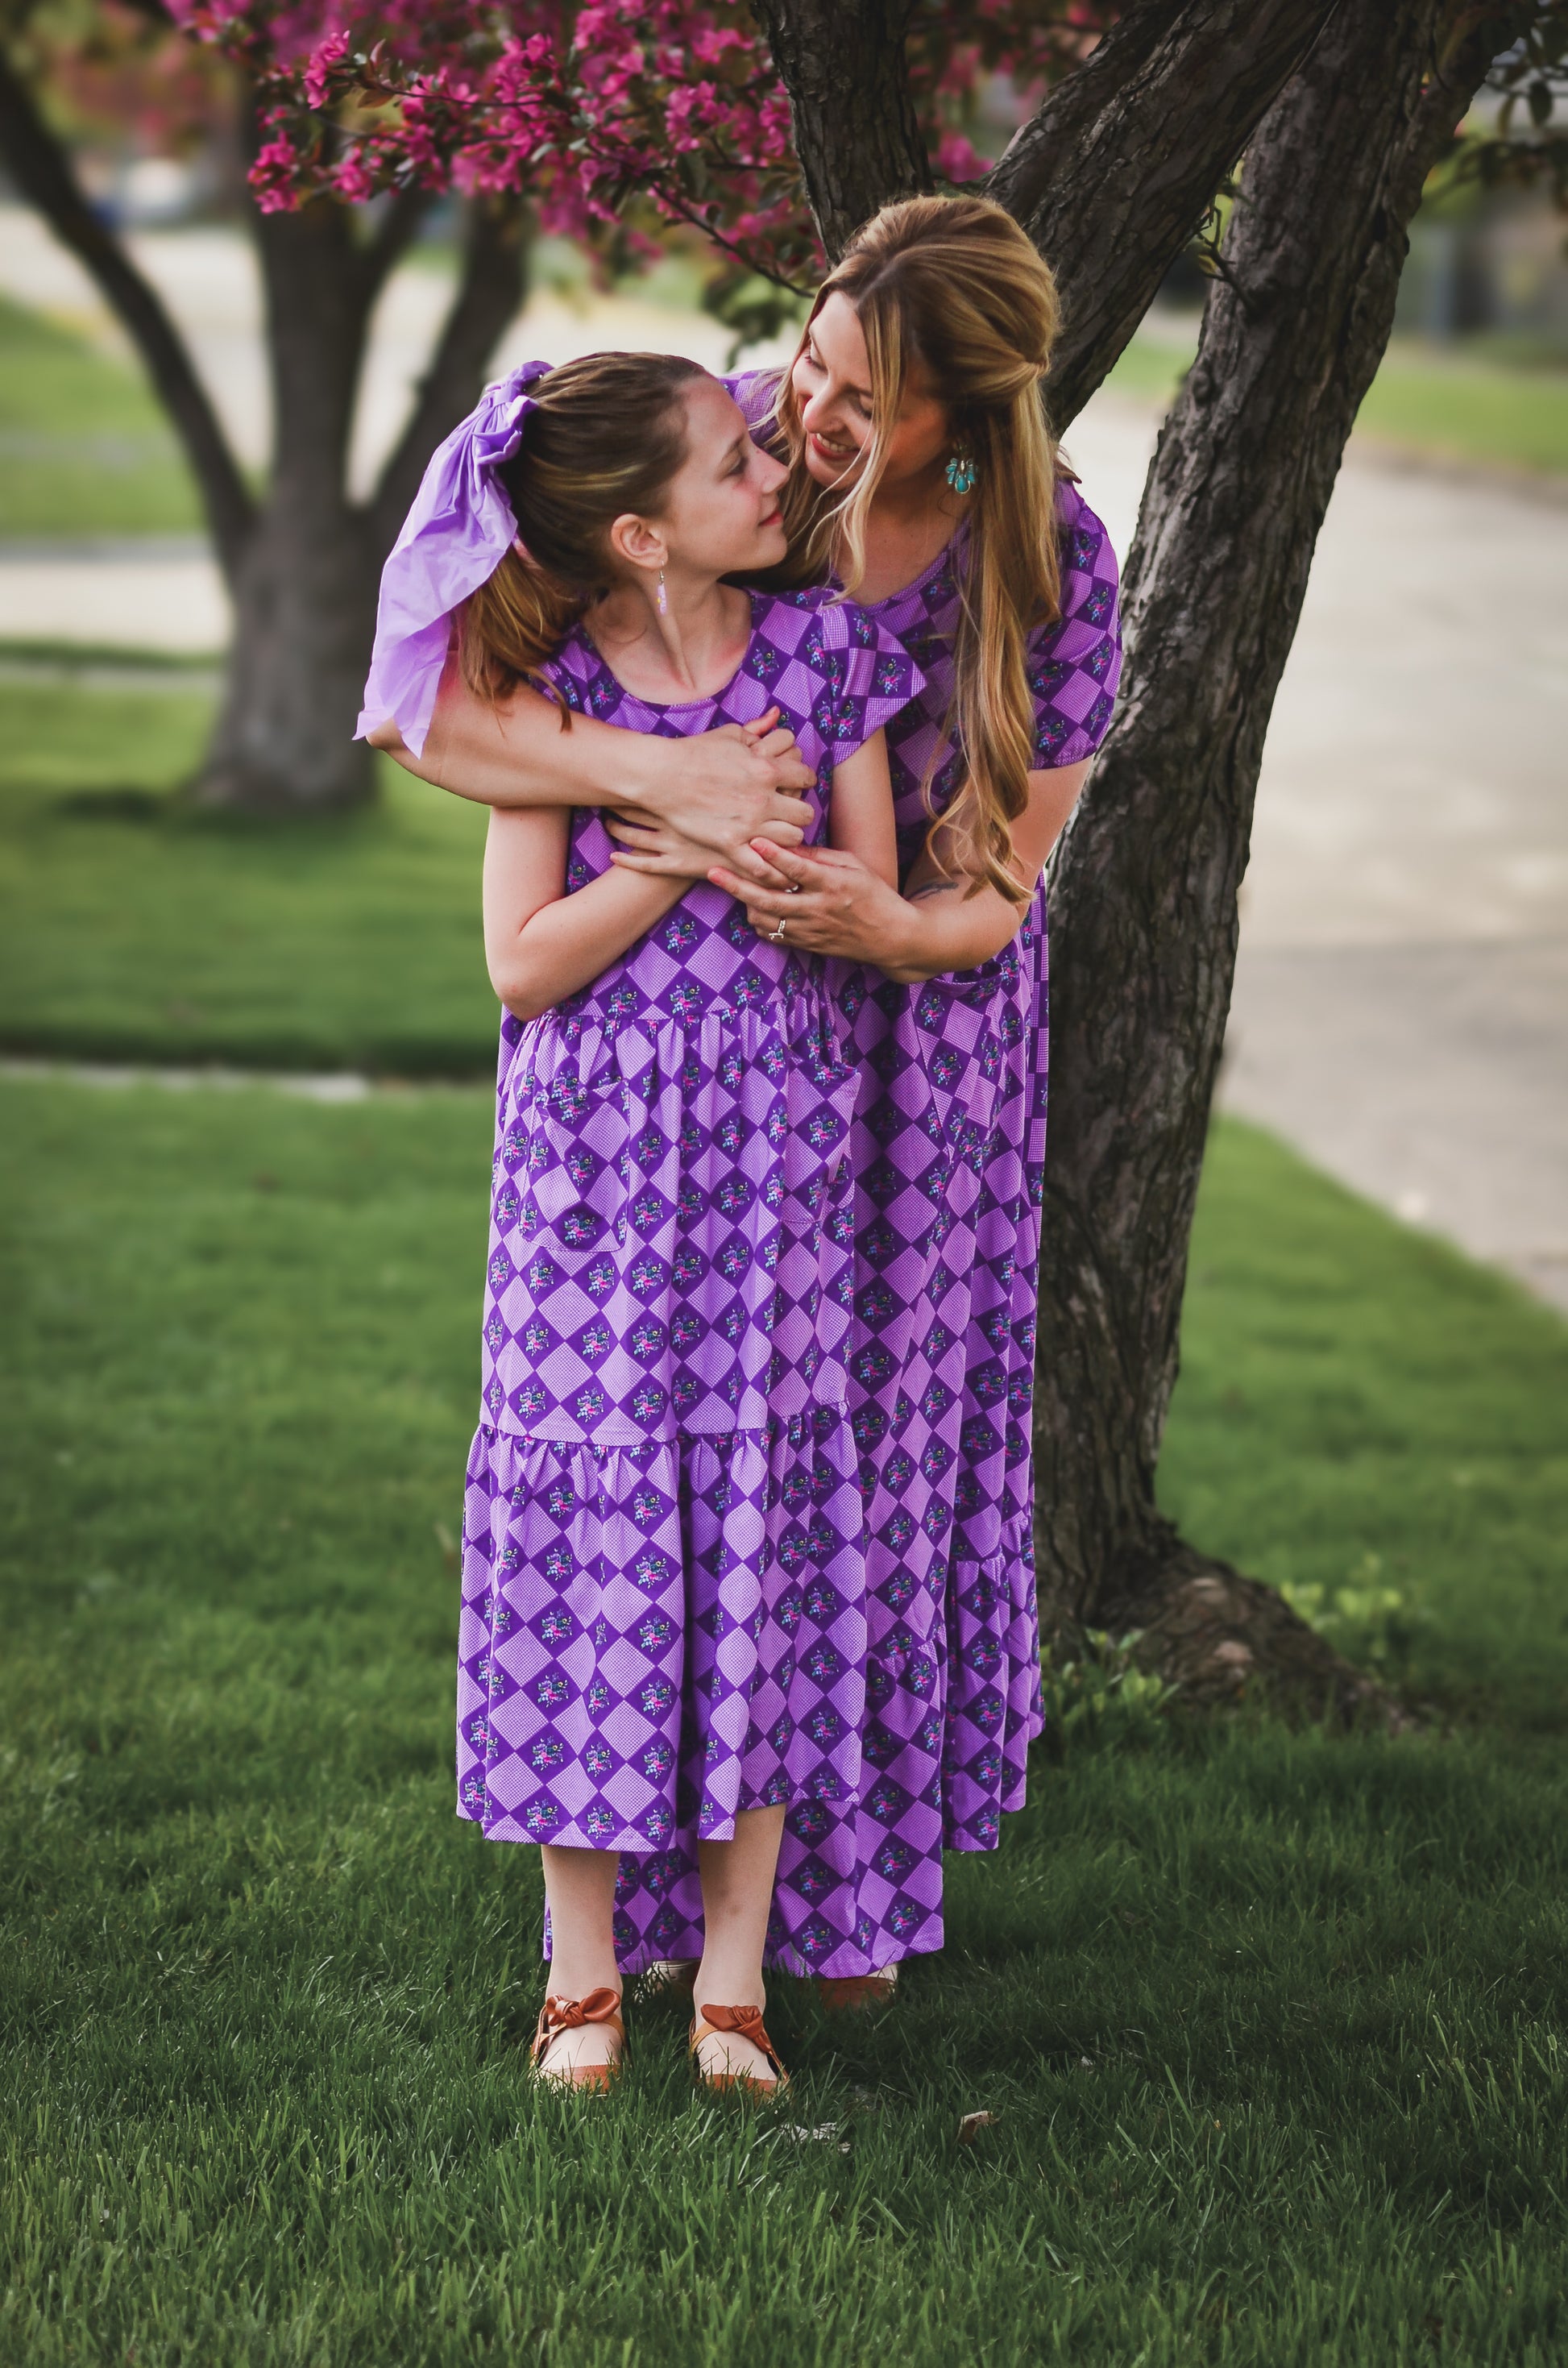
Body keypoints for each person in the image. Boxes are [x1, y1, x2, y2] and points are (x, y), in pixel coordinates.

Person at [374, 193, 1122, 2013]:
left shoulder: (1045, 562)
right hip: (693, 1048)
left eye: (863, 395)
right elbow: (449, 720)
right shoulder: (708, 463)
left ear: (971, 411)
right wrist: (677, 795)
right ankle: (626, 1920)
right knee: (672, 1452)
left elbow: (1001, 889)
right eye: (813, 352)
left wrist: (890, 920)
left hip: (914, 1049)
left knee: (847, 1472)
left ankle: (817, 1915)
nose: (809, 408)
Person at [361, 350, 926, 2091]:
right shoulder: (542, 698)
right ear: (640, 533)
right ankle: (585, 1968)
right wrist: (673, 840)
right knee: (588, 1551)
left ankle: (736, 1973)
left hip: (773, 1178)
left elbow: (868, 894)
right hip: (590, 1198)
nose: (772, 467)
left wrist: (788, 863)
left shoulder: (825, 660)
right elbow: (522, 965)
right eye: (734, 461)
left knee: (761, 1538)